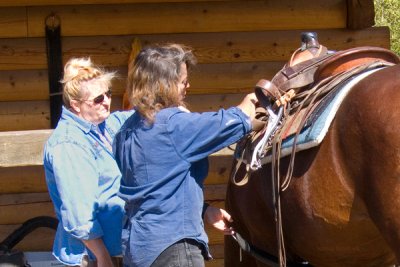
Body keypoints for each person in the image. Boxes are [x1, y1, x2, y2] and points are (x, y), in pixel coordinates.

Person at [113, 43, 257, 267]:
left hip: (139, 248)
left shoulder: (125, 131)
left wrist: (204, 210)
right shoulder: (173, 125)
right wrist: (257, 97)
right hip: (173, 249)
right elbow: (236, 121)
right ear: (166, 84)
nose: (188, 86)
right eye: (182, 80)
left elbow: (155, 190)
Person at [43, 57, 134, 267]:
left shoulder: (103, 124)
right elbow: (79, 212)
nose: (106, 101)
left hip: (113, 249)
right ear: (75, 105)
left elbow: (126, 117)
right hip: (91, 255)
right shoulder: (69, 144)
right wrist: (102, 256)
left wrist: (171, 112)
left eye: (109, 93)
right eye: (98, 98)